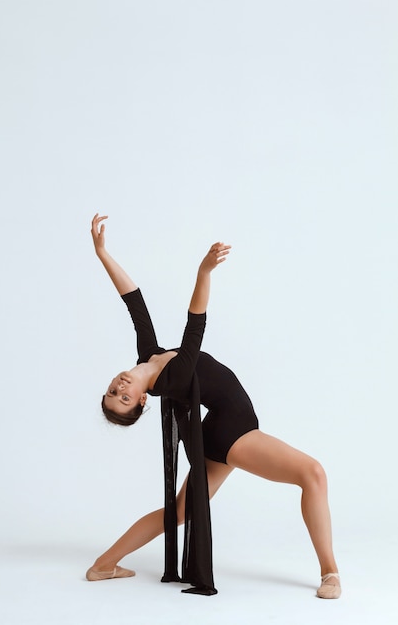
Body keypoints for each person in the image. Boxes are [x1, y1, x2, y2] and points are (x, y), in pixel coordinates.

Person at [85, 213, 341, 599]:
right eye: (123, 399)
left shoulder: (150, 357)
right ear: (141, 400)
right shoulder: (171, 378)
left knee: (181, 511)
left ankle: (103, 565)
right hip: (232, 431)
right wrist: (204, 272)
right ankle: (331, 574)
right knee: (313, 474)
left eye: (112, 391)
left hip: (218, 433)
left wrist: (102, 253)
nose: (119, 388)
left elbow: (134, 302)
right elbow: (195, 326)